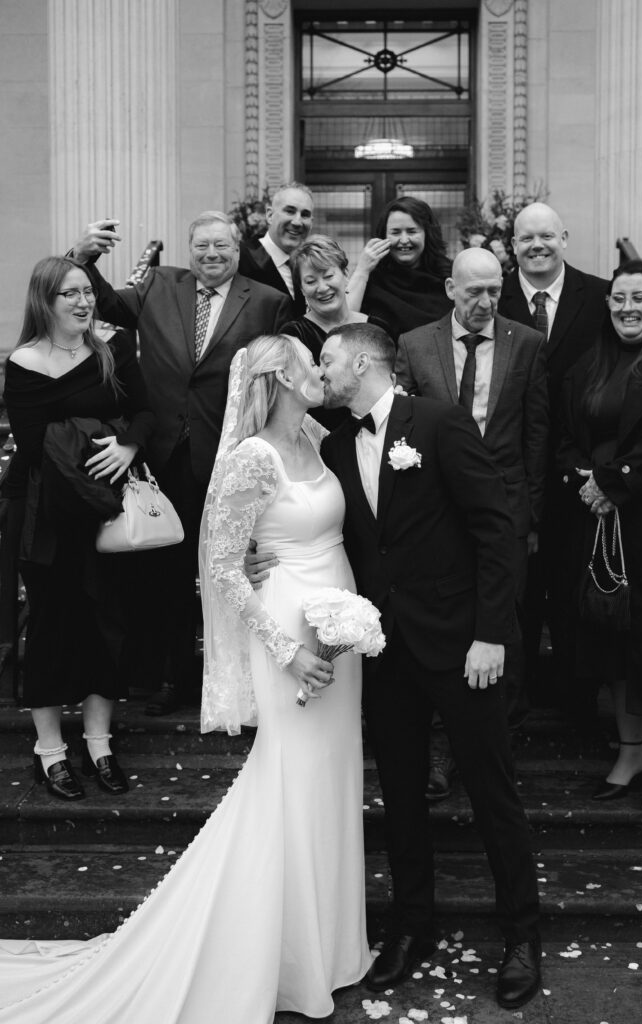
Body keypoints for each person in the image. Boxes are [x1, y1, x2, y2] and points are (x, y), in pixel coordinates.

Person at [0, 334, 372, 1022]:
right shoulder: (248, 458)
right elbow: (224, 568)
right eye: (306, 362)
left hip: (336, 616)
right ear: (279, 378)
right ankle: (278, 955)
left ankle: (328, 944)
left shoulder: (317, 437)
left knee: (330, 776)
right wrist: (285, 648)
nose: (320, 369)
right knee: (289, 775)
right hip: (285, 630)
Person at [248, 322, 542, 1009]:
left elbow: (495, 530)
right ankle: (413, 928)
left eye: (328, 358)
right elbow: (305, 520)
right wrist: (256, 557)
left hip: (462, 645)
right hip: (382, 652)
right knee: (403, 798)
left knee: (491, 790)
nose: (321, 371)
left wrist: (491, 633)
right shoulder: (331, 443)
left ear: (359, 362)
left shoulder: (436, 424)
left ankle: (521, 935)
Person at [71, 212, 293, 715]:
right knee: (165, 574)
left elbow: (275, 379)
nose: (210, 254)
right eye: (201, 246)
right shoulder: (159, 284)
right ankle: (174, 679)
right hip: (161, 454)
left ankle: (237, 681)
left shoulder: (266, 302)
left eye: (220, 246)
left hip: (227, 457)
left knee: (227, 570)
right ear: (189, 250)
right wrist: (85, 256)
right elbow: (103, 303)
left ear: (237, 250)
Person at [1, 257, 156, 801]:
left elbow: (145, 411)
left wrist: (129, 443)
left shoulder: (113, 349)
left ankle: (98, 742)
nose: (83, 302)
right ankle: (49, 750)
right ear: (45, 299)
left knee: (107, 621)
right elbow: (39, 439)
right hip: (46, 513)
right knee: (49, 626)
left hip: (108, 510)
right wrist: (103, 432)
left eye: (87, 291)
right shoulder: (23, 363)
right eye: (69, 293)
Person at [395, 248, 548, 783]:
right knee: (444, 625)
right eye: (473, 292)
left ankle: (494, 741)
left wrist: (528, 518)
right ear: (449, 290)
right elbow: (400, 424)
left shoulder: (526, 344)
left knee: (503, 619)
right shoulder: (415, 345)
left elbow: (536, 434)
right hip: (434, 513)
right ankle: (443, 745)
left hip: (504, 509)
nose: (484, 303)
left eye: (494, 292)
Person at [557, 260, 642, 812]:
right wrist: (582, 478)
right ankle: (630, 754)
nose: (628, 308)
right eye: (619, 299)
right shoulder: (591, 363)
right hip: (603, 524)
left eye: (640, 299)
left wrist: (613, 482)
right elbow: (565, 435)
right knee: (615, 637)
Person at [497, 202, 609, 719]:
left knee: (572, 588)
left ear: (564, 238)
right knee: (517, 592)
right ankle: (512, 699)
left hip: (581, 471)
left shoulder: (601, 295)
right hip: (511, 467)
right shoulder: (491, 293)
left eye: (546, 236)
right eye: (526, 238)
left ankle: (575, 700)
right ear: (511, 245)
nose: (536, 246)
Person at [280, 233, 390, 429]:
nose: (322, 288)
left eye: (329, 276)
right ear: (302, 289)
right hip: (323, 441)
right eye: (311, 281)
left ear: (345, 275)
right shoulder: (293, 336)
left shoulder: (378, 328)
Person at [347, 196, 453, 339]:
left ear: (427, 233)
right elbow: (344, 324)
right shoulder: (372, 279)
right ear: (383, 235)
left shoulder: (448, 276)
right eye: (395, 232)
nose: (404, 240)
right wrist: (362, 270)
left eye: (412, 231)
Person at [238, 182, 314, 315]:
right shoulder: (240, 258)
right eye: (290, 211)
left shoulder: (306, 265)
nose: (297, 222)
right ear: (269, 215)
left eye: (305, 215)